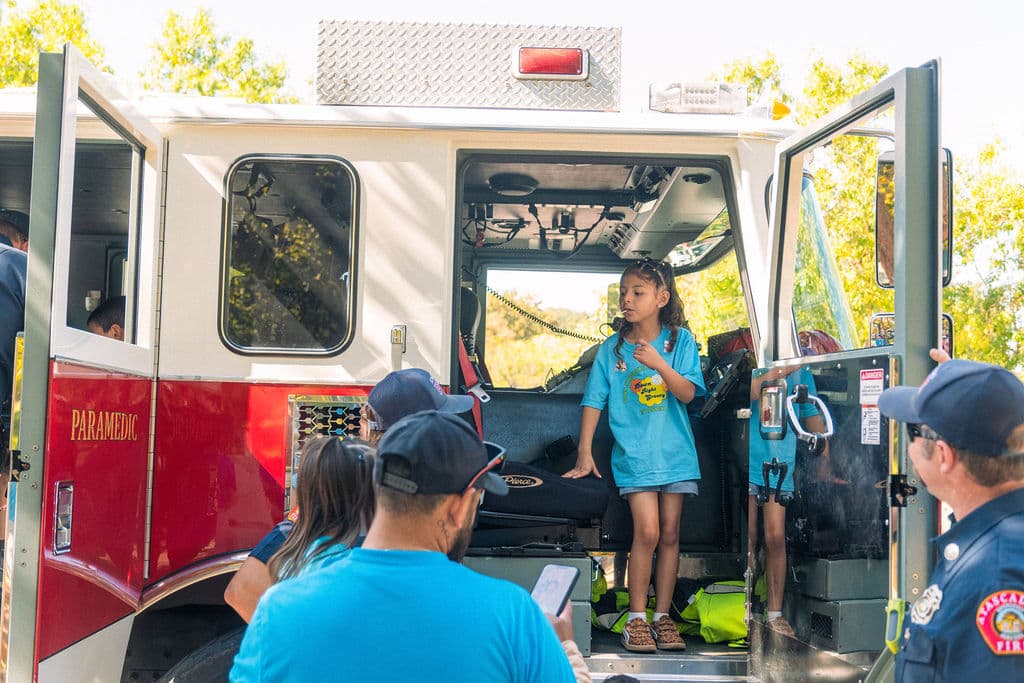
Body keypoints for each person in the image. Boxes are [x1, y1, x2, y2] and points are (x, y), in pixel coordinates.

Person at [230, 410, 578, 682]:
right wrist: (565, 646)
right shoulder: (514, 616)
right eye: (476, 501)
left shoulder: (278, 610)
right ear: (458, 507)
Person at [224, 367, 474, 622]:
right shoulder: (347, 489)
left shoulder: (427, 492)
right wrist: (306, 641)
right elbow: (243, 591)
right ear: (414, 434)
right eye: (441, 423)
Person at [564, 257, 705, 653]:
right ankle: (637, 618)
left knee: (671, 534)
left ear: (662, 298)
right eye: (623, 292)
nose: (626, 299)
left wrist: (658, 363)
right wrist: (584, 452)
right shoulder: (612, 350)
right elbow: (594, 400)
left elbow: (688, 393)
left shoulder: (680, 342)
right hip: (636, 457)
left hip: (675, 456)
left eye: (637, 292)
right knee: (648, 532)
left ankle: (662, 617)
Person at [878, 358, 1024, 681]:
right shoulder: (990, 542)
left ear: (944, 455)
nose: (908, 448)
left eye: (912, 431)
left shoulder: (997, 579)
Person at [746, 364, 832, 638]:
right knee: (749, 535)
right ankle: (746, 608)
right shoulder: (755, 361)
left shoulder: (802, 369)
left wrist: (826, 461)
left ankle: (774, 614)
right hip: (748, 458)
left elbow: (810, 413)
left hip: (780, 462)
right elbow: (746, 393)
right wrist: (779, 372)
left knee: (775, 536)